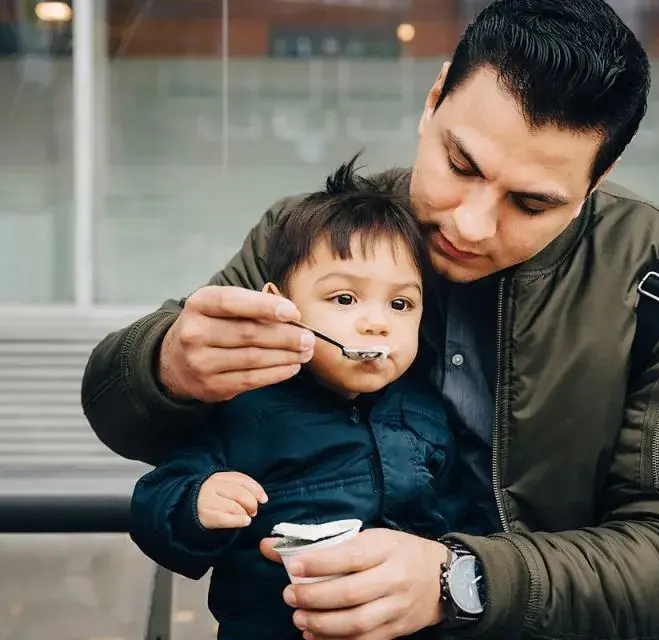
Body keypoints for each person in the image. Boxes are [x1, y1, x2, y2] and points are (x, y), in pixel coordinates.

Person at [82, 1, 659, 638]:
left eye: (529, 204)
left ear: (600, 173)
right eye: (460, 164)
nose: (470, 224)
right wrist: (167, 365)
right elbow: (122, 419)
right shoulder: (323, 240)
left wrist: (458, 579)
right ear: (434, 97)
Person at [128, 158, 490, 639]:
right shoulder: (245, 404)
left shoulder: (425, 410)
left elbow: (461, 521)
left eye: (400, 304)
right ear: (281, 306)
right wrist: (198, 504)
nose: (376, 323)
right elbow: (153, 506)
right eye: (344, 299)